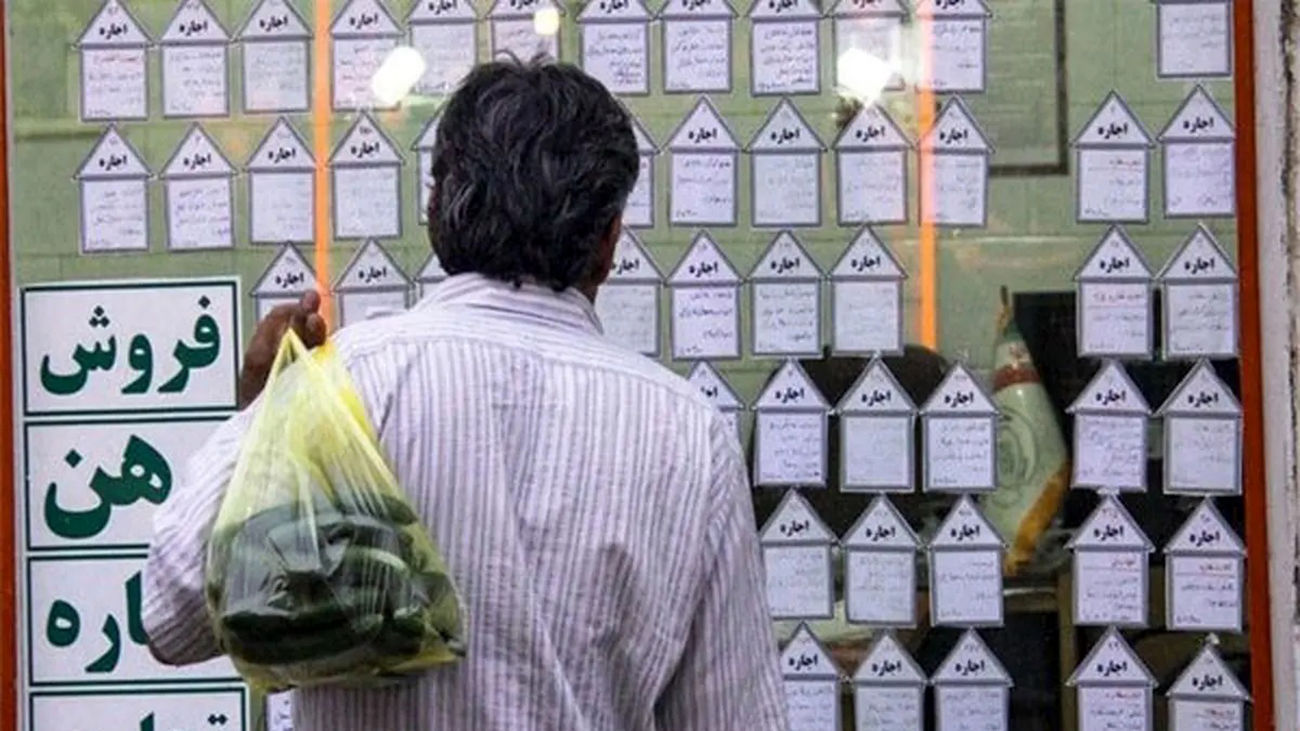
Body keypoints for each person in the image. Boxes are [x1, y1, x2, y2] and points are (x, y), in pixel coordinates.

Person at [142, 59, 788, 730]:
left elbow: (171, 613)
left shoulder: (347, 384)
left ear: (437, 211)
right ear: (608, 241)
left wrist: (266, 416)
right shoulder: (688, 436)